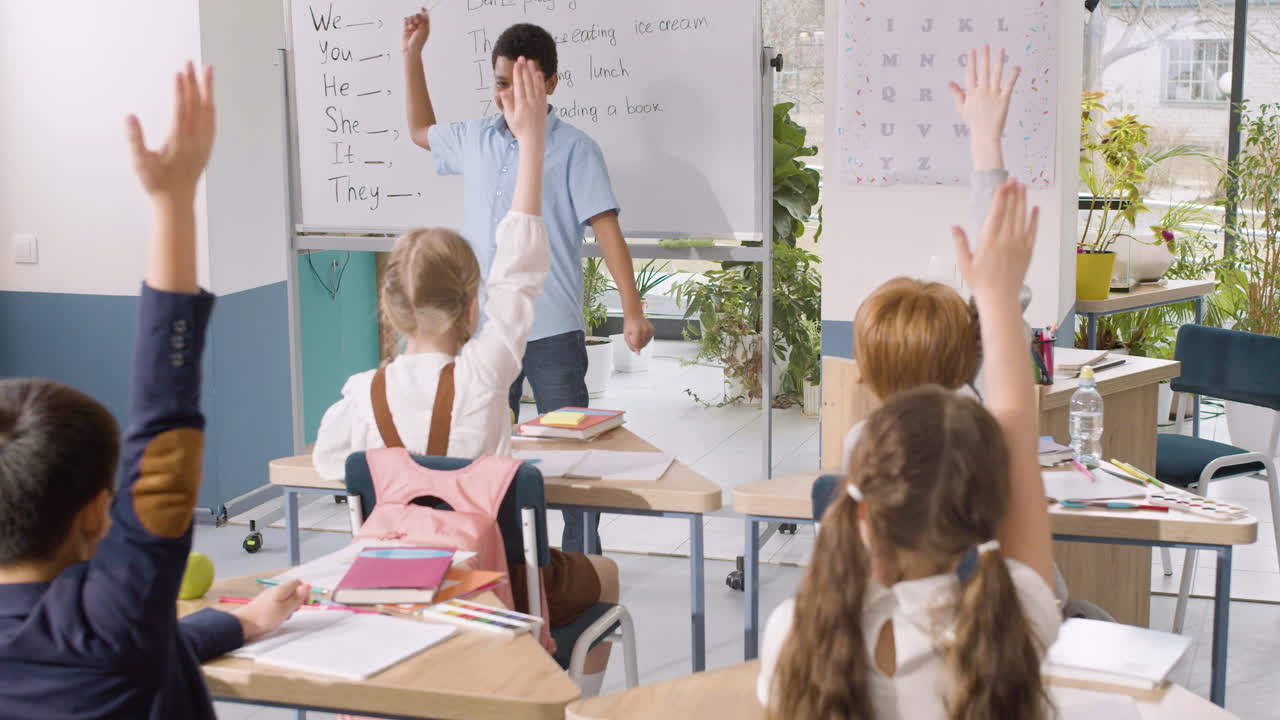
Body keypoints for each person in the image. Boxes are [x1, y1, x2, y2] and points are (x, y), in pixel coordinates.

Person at [0, 63, 307, 719]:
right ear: (94, 514)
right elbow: (162, 433)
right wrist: (173, 203)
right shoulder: (110, 626)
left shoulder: (114, 630)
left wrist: (241, 623)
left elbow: (147, 645)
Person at [314, 58, 619, 695]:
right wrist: (532, 142)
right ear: (473, 307)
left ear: (390, 307)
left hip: (395, 595)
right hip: (494, 589)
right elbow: (521, 268)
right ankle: (576, 705)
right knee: (606, 574)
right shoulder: (485, 374)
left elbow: (331, 465)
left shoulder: (361, 394)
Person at [758, 180, 1058, 720]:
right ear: (987, 510)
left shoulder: (793, 637)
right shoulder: (1014, 631)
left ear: (862, 506)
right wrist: (996, 294)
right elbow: (1015, 418)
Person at [402, 12, 655, 554]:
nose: (507, 96)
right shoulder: (473, 138)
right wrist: (413, 57)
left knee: (577, 464)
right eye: (499, 84)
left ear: (551, 85)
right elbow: (421, 131)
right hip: (484, 333)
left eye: (522, 85)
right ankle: (500, 560)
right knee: (485, 457)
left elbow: (606, 229)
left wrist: (632, 310)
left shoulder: (576, 148)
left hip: (551, 329)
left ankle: (582, 565)